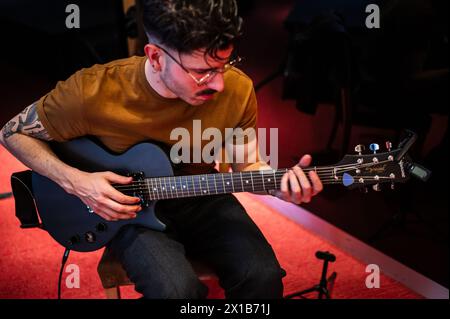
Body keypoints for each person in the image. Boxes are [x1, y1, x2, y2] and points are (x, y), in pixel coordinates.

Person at [0, 0, 323, 298]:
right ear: (155, 57)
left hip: (201, 195)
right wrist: (75, 181)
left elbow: (248, 166)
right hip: (130, 211)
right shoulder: (93, 91)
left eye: (224, 65)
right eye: (201, 71)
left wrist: (281, 187)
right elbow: (12, 133)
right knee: (176, 292)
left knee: (262, 277)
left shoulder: (237, 89)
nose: (219, 83)